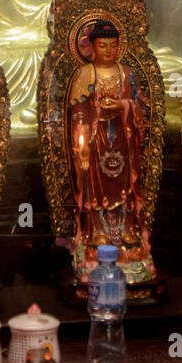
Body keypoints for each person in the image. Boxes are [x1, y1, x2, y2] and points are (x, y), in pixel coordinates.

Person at [67, 20, 148, 262]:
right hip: (96, 138)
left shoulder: (126, 73)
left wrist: (123, 105)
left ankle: (127, 231)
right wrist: (81, 144)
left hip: (123, 137)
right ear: (91, 47)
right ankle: (97, 231)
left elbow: (140, 106)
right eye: (103, 45)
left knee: (125, 185)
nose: (109, 50)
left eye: (113, 45)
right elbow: (78, 112)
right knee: (95, 185)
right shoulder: (85, 73)